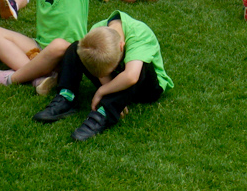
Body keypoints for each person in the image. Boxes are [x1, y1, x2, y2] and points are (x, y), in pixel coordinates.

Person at [30, 9, 174, 141]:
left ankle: (103, 113)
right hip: (117, 80)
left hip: (146, 88)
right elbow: (98, 68)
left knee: (139, 68)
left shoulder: (139, 34)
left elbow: (131, 76)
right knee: (77, 47)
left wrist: (102, 91)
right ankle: (66, 96)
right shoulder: (97, 32)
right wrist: (111, 91)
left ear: (121, 46)